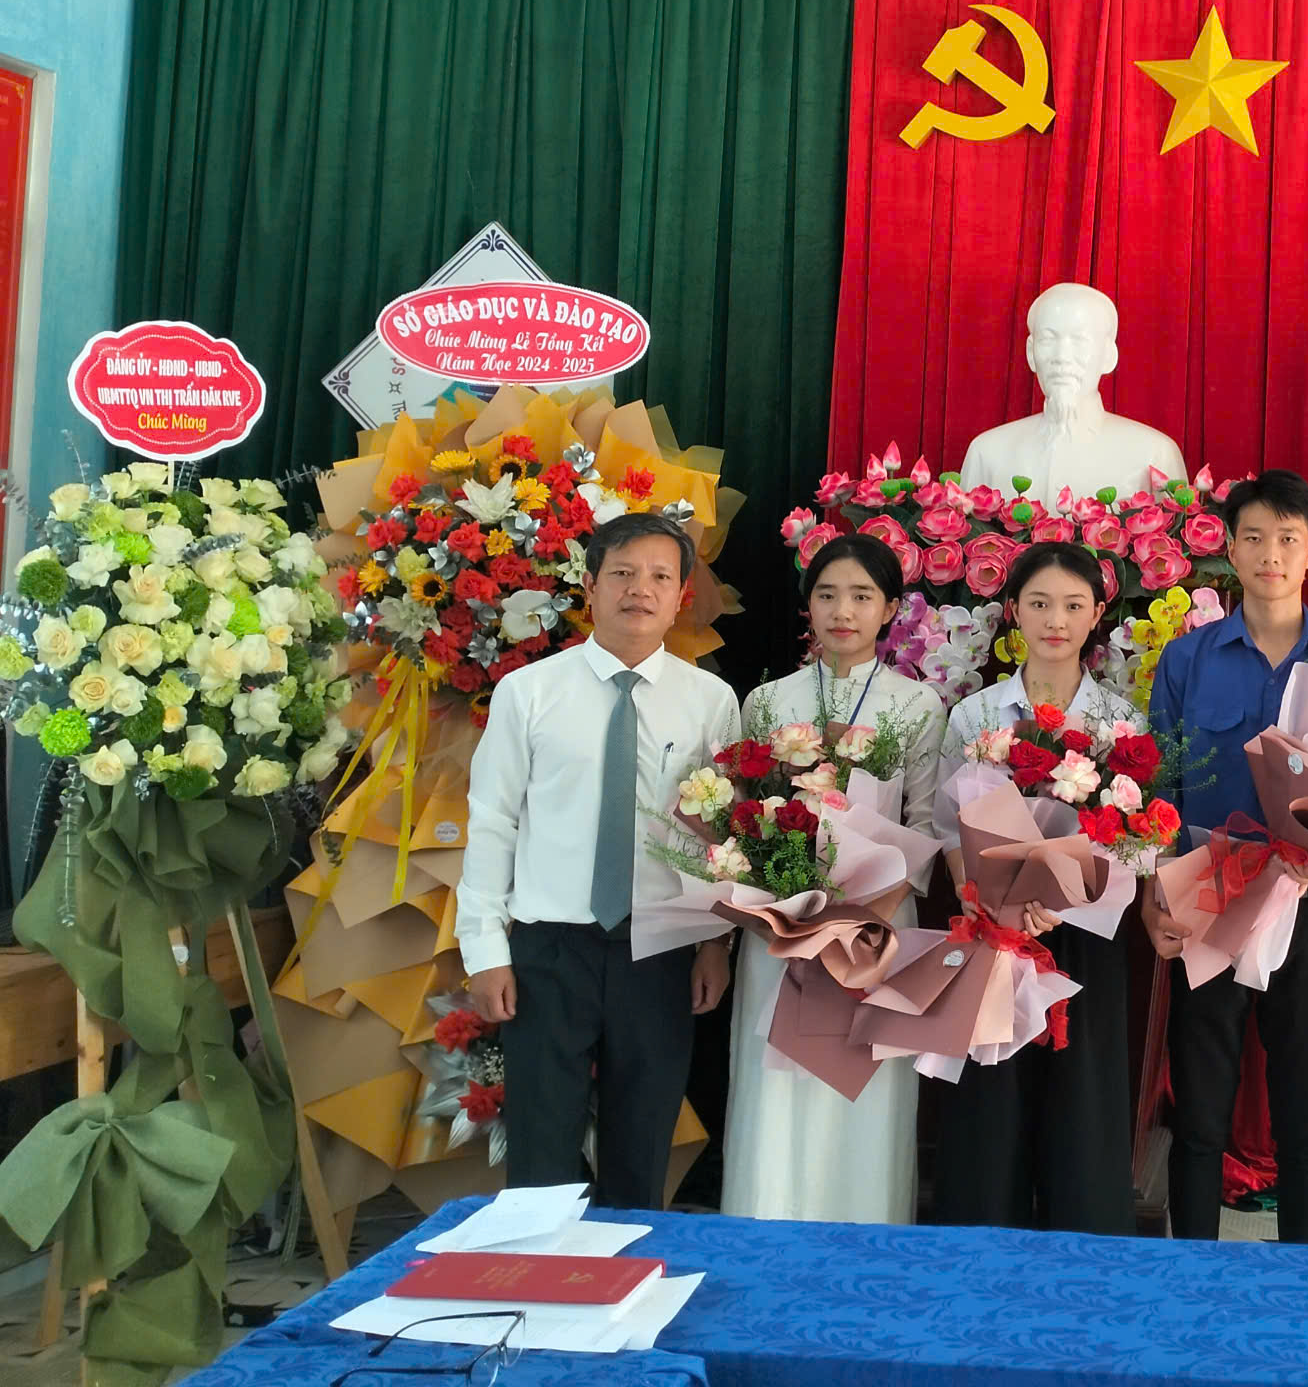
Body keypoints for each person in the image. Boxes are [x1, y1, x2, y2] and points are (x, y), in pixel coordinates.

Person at [457, 511, 741, 1207]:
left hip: (661, 951)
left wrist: (715, 944)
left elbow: (721, 839)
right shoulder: (529, 692)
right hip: (550, 951)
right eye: (622, 573)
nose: (640, 590)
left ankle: (627, 1269)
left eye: (660, 577)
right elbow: (493, 821)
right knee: (540, 1152)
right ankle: (541, 1270)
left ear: (680, 597)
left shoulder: (710, 701)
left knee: (641, 1149)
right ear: (589, 587)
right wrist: (484, 950)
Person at [1141, 470, 1308, 1245]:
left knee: (1307, 1115)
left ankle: (1302, 1283)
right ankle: (1192, 1274)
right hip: (1210, 892)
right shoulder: (1186, 661)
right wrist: (1155, 894)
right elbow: (1159, 788)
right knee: (1200, 1112)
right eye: (1255, 537)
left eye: (1288, 539)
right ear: (1230, 550)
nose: (1272, 554)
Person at [722, 529, 948, 1224]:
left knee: (864, 1086)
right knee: (776, 1084)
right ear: (807, 606)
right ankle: (766, 1224)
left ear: (890, 610)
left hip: (875, 932)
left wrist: (863, 912)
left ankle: (867, 1230)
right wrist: (789, 900)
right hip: (782, 927)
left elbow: (927, 826)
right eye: (826, 595)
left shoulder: (918, 706)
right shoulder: (767, 701)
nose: (842, 611)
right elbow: (741, 816)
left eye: (861, 596)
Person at [932, 543, 1142, 1234]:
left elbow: (1138, 838)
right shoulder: (976, 717)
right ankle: (981, 1246)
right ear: (1012, 610)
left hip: (1084, 931)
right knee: (993, 1102)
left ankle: (1085, 1252)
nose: (1056, 621)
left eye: (1074, 606)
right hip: (994, 933)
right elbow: (947, 827)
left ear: (1097, 614)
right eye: (1040, 604)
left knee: (1083, 1101)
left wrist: (1059, 899)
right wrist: (993, 899)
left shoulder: (1121, 723)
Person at [957, 283, 1187, 503]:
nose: (1062, 356)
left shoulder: (1154, 455)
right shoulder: (987, 453)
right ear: (1030, 353)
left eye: (1079, 340)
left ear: (1109, 355)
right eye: (1048, 339)